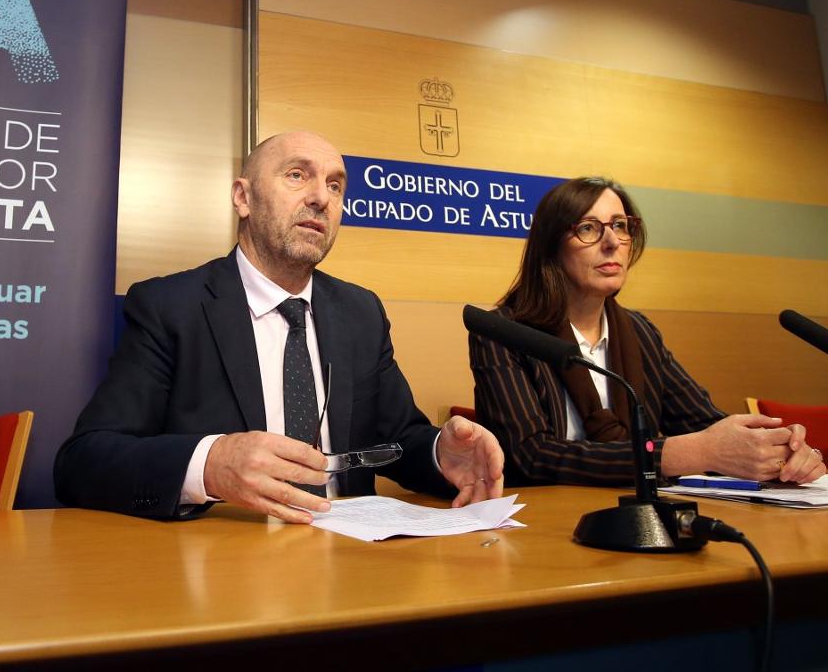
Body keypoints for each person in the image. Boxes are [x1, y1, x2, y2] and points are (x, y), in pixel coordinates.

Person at [56, 131, 505, 521]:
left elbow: (398, 439)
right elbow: (83, 462)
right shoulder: (170, 306)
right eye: (297, 175)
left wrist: (440, 454)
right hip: (219, 572)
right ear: (243, 198)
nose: (321, 198)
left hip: (350, 566)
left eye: (335, 185)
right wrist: (210, 465)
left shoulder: (359, 311)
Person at [469, 176, 826, 487]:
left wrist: (778, 447)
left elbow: (703, 422)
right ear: (551, 247)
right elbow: (531, 457)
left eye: (621, 226)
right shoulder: (503, 332)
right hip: (545, 525)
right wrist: (681, 454)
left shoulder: (639, 331)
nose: (612, 243)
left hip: (641, 512)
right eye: (588, 228)